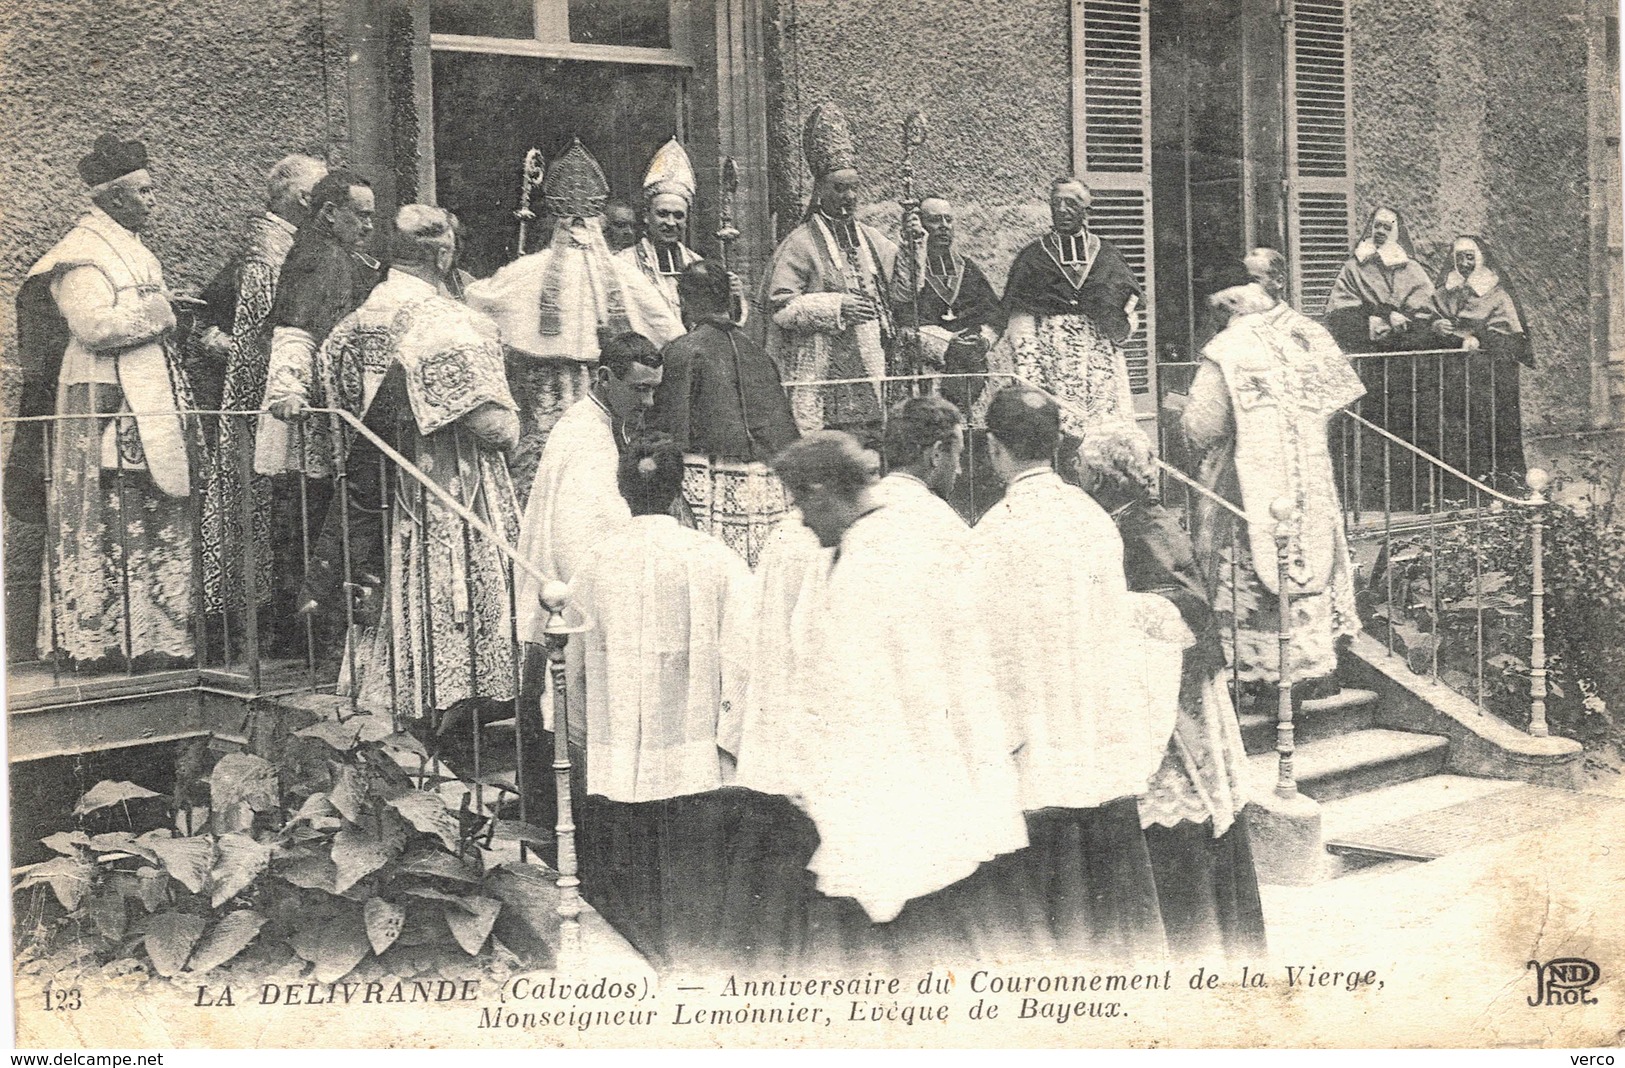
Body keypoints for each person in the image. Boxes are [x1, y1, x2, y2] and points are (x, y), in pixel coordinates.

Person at [723, 431, 1028, 969]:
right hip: (900, 773)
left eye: (801, 504)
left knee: (908, 914)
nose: (801, 521)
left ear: (822, 492)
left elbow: (859, 686)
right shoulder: (867, 548)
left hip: (893, 771)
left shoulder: (874, 561)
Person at [971, 386, 1177, 962]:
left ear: (994, 448)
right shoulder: (1091, 518)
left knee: (1053, 918)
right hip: (1097, 731)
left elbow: (992, 652)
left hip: (1039, 742)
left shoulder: (995, 530)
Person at [338, 207, 526, 781]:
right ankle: (452, 710)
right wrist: (515, 431)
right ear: (443, 254)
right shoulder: (447, 321)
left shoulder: (359, 319)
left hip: (383, 484)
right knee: (457, 586)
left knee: (403, 584)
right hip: (451, 483)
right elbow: (494, 427)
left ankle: (402, 712)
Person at [565, 433, 753, 970]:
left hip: (616, 754)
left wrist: (581, 737)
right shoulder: (716, 558)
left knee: (632, 883)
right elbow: (744, 656)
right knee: (695, 887)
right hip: (695, 756)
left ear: (622, 490)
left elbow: (570, 664)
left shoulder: (593, 563)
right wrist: (729, 742)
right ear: (678, 489)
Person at [1078, 426, 1267, 961]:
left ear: (1102, 476)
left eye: (1083, 468)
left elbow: (1184, 605)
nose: (1077, 476)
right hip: (1159, 685)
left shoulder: (1141, 526)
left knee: (1182, 812)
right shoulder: (1133, 518)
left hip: (1172, 696)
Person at [21, 135, 195, 667]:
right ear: (115, 197)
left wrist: (162, 308)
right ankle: (103, 639)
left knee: (151, 504)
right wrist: (162, 312)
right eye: (144, 191)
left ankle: (153, 635)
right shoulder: (81, 254)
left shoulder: (133, 246)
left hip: (144, 389)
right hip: (104, 393)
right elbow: (93, 327)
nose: (153, 200)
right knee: (112, 505)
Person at [1182, 249, 1365, 703]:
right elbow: (1337, 401)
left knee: (1245, 558)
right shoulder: (1307, 334)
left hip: (1243, 481)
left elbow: (1203, 426)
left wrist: (1181, 423)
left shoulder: (1228, 347)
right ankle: (1311, 665)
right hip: (1305, 471)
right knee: (1307, 551)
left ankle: (1254, 671)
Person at [465, 139, 683, 504]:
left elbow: (477, 304)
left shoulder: (527, 270)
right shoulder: (624, 274)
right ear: (599, 226)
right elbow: (669, 330)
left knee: (548, 470)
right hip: (604, 385)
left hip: (544, 388)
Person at [198, 153, 327, 650]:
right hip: (263, 406)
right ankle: (270, 628)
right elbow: (250, 337)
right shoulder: (265, 254)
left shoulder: (286, 246)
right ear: (305, 199)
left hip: (275, 401)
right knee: (273, 511)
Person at [762, 103, 901, 436]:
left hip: (870, 365)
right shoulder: (800, 243)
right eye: (839, 188)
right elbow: (780, 308)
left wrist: (913, 245)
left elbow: (903, 290)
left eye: (854, 187)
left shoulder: (870, 238)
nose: (849, 196)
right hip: (819, 367)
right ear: (820, 190)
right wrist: (837, 307)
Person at [649, 260, 799, 566]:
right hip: (765, 490)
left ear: (684, 300)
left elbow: (667, 431)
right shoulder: (759, 354)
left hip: (706, 486)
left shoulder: (681, 351)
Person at [993, 177, 1143, 447]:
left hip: (1100, 365)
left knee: (1105, 442)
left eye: (1072, 203)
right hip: (1052, 364)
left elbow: (1128, 315)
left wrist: (1117, 325)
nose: (1062, 210)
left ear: (1087, 210)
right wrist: (1031, 378)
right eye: (1056, 203)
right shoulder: (1033, 257)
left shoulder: (1108, 255)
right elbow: (1020, 325)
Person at [891, 195, 1007, 518]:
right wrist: (948, 344)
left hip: (972, 373)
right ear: (921, 226)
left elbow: (994, 314)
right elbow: (903, 322)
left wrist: (983, 340)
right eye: (934, 220)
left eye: (948, 219)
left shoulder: (967, 269)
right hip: (929, 373)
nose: (943, 227)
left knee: (974, 449)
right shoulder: (908, 273)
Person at [1323, 207, 1436, 507]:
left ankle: (1411, 499)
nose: (1381, 231)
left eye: (1387, 226)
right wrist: (1370, 320)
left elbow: (1430, 315)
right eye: (1377, 226)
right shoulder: (1354, 268)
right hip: (1368, 365)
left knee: (1408, 429)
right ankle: (1365, 501)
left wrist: (1403, 324)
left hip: (1405, 367)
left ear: (1397, 232)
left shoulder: (1414, 271)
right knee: (1363, 431)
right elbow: (1336, 316)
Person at [1429, 235, 1532, 486]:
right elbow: (1427, 321)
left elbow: (1511, 339)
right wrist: (1435, 326)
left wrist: (1480, 338)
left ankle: (1497, 485)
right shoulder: (1443, 293)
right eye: (1459, 258)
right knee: (1454, 431)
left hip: (1489, 380)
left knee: (1488, 430)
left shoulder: (1497, 295)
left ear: (1481, 259)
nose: (1464, 263)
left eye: (1470, 257)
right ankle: (1457, 490)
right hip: (1453, 378)